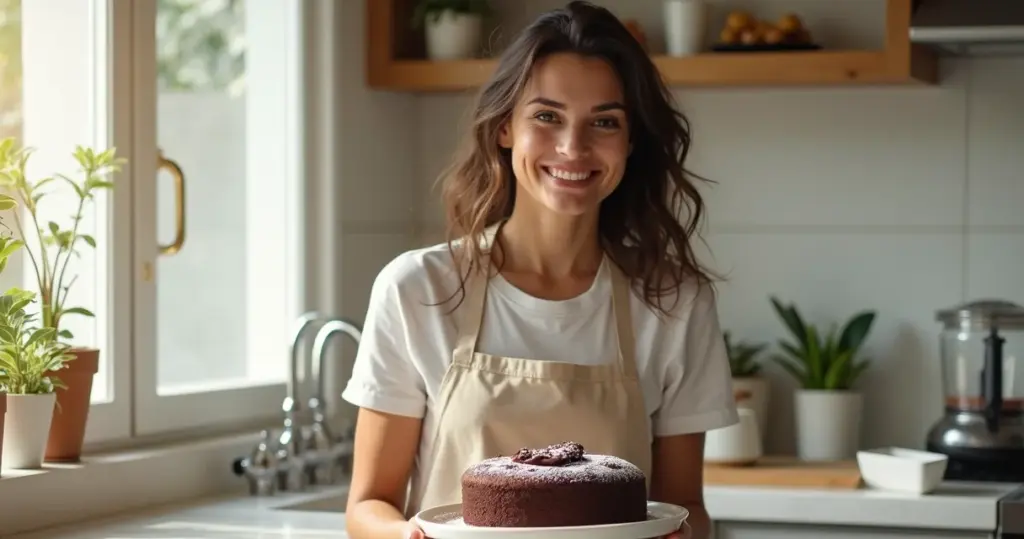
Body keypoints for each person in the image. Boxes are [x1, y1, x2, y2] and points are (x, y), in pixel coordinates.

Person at [341, 2, 738, 538]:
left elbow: (685, 504)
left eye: (604, 121)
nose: (573, 148)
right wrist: (411, 537)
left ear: (630, 141)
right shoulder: (418, 290)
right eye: (547, 116)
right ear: (506, 127)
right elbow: (367, 506)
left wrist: (682, 534)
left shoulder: (673, 300)